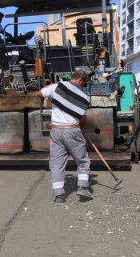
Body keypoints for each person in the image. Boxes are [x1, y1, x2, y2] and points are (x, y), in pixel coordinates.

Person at [36, 70, 93, 205]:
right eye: (84, 83)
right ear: (81, 80)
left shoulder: (58, 87)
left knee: (57, 165)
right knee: (83, 161)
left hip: (56, 131)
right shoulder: (84, 98)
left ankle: (59, 197)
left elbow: (39, 94)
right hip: (72, 130)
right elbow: (83, 119)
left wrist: (50, 90)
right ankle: (83, 188)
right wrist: (81, 128)